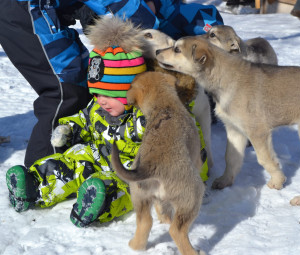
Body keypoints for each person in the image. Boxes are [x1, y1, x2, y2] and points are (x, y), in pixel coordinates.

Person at [0, 0, 223, 170]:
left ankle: (79, 157)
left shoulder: (186, 16)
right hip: (27, 9)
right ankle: (42, 173)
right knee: (66, 89)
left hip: (46, 10)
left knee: (81, 79)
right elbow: (126, 10)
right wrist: (140, 19)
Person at [5, 43, 210, 227]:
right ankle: (34, 184)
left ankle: (100, 202)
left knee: (130, 186)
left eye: (110, 95)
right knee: (73, 160)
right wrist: (69, 128)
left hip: (134, 169)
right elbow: (84, 119)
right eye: (97, 93)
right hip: (98, 156)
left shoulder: (157, 115)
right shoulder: (98, 107)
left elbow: (186, 146)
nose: (101, 100)